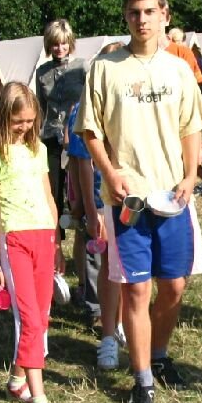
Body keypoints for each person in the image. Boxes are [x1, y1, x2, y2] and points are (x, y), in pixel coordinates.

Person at [75, 0, 202, 403]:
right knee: (136, 291)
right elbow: (89, 131)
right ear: (125, 16)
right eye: (134, 12)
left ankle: (160, 354)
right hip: (127, 202)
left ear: (165, 15)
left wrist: (191, 175)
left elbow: (191, 128)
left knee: (175, 287)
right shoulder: (105, 69)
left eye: (150, 11)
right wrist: (110, 173)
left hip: (173, 198)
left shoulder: (179, 70)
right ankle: (143, 380)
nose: (142, 19)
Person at [0, 82, 64, 403]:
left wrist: (57, 242)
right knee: (30, 321)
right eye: (18, 121)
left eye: (30, 121)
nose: (25, 127)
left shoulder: (38, 149)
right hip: (14, 241)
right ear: (3, 117)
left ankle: (17, 380)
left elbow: (49, 197)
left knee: (41, 319)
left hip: (44, 238)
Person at [66, 99, 126, 369]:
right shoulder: (84, 109)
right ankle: (101, 316)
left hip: (130, 197)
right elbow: (82, 164)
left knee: (125, 265)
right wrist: (89, 209)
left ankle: (121, 321)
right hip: (101, 201)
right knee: (103, 262)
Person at [34, 19, 88, 221]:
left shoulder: (82, 67)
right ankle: (56, 233)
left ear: (70, 43)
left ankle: (85, 232)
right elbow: (40, 107)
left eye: (64, 43)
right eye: (55, 44)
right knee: (53, 191)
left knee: (80, 192)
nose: (60, 48)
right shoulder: (42, 72)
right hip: (50, 137)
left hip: (77, 135)